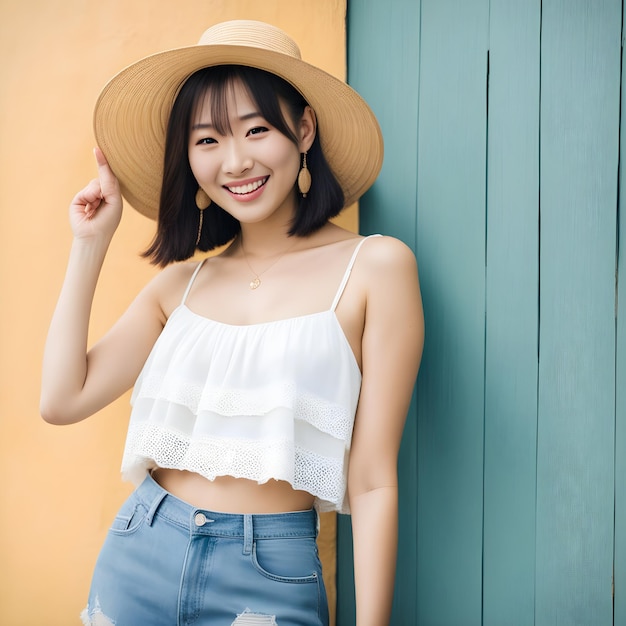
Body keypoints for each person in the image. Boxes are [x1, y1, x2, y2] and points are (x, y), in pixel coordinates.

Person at [40, 19, 424, 626]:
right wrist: (90, 244)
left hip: (270, 569)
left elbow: (374, 480)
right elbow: (62, 399)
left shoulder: (375, 266)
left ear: (302, 130)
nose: (236, 161)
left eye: (256, 130)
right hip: (140, 548)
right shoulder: (179, 287)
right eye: (207, 140)